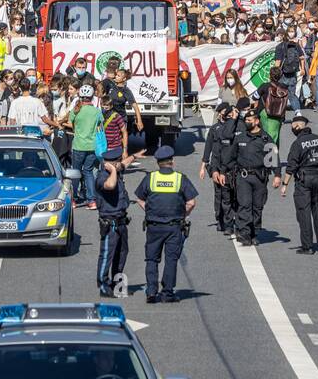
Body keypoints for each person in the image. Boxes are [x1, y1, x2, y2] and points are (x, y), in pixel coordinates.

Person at [133, 144, 197, 303]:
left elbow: (139, 199)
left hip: (153, 225)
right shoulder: (180, 179)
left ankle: (151, 292)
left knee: (152, 259)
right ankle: (167, 293)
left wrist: (150, 210)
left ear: (158, 163)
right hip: (174, 226)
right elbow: (192, 202)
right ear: (172, 161)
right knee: (171, 260)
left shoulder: (151, 178)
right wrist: (184, 214)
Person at [280, 115, 318, 254]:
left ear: (298, 126)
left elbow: (291, 166)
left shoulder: (297, 144)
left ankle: (307, 246)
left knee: (304, 213)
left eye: (292, 125)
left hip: (303, 180)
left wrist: (285, 184)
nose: (292, 128)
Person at [229, 108, 276, 246]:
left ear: (257, 121)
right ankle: (244, 234)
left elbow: (273, 158)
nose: (247, 122)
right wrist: (221, 171)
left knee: (257, 206)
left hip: (260, 178)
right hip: (243, 177)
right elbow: (230, 157)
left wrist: (278, 175)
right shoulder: (240, 137)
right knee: (244, 205)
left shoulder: (265, 138)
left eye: (249, 120)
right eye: (246, 120)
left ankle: (254, 233)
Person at [95, 147, 130, 297]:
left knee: (122, 253)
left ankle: (116, 282)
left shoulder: (115, 170)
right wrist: (113, 171)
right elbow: (110, 185)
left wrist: (134, 156)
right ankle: (103, 285)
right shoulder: (103, 176)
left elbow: (123, 165)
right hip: (110, 222)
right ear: (110, 164)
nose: (120, 164)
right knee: (107, 254)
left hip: (121, 220)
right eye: (117, 162)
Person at [200, 102, 237, 233]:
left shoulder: (234, 126)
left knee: (231, 195)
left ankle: (230, 221)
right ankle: (220, 219)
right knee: (219, 195)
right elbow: (208, 148)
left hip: (231, 167)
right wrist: (203, 167)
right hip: (216, 165)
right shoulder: (215, 129)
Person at [69, 84, 101, 208]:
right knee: (88, 172)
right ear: (92, 97)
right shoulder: (97, 111)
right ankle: (91, 200)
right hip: (92, 146)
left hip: (78, 145)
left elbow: (73, 125)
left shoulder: (76, 110)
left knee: (75, 173)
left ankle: (73, 199)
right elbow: (100, 127)